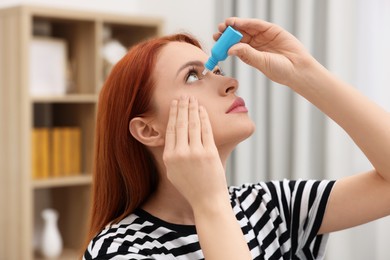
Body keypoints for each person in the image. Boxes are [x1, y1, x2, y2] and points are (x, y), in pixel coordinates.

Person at [83, 17, 390, 260]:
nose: (231, 82)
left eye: (216, 70)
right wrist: (209, 203)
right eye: (193, 76)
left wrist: (305, 73)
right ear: (148, 130)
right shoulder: (119, 251)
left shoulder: (269, 208)